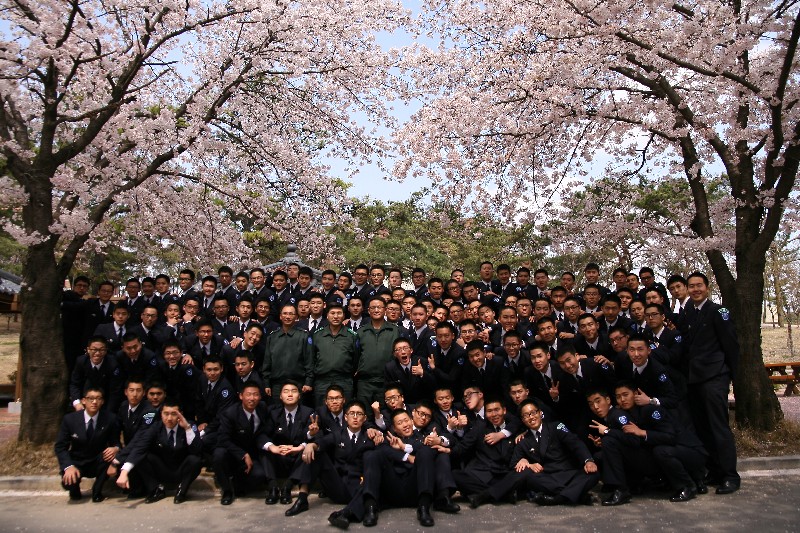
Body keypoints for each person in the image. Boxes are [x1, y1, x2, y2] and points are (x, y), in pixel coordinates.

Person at [469, 398, 599, 507]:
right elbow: (513, 464)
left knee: (593, 473)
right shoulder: (523, 440)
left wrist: (588, 460)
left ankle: (559, 498)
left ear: (540, 413)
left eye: (533, 413)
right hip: (547, 478)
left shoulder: (556, 427)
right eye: (526, 415)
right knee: (527, 476)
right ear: (522, 420)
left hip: (568, 473)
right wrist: (527, 463)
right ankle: (576, 496)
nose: (531, 417)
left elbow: (575, 443)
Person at [680, 272, 740, 494]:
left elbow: (731, 346)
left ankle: (730, 475)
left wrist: (731, 376)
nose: (695, 290)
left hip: (714, 377)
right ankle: (714, 470)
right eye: (692, 286)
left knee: (718, 427)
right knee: (703, 428)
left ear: (707, 287)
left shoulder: (718, 311)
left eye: (699, 285)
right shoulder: (688, 312)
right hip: (694, 378)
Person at [111, 398, 203, 504]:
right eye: (166, 414)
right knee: (144, 457)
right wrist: (124, 472)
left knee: (195, 460)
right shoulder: (155, 427)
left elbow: (197, 450)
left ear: (180, 414)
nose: (169, 418)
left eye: (174, 414)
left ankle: (182, 491)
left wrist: (187, 428)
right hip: (162, 469)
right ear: (161, 414)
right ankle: (156, 490)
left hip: (181, 468)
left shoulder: (190, 425)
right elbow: (140, 448)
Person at [304, 400, 378, 526]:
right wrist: (311, 445)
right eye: (352, 413)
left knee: (373, 477)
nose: (355, 417)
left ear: (365, 418)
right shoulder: (338, 434)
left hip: (358, 487)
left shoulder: (370, 437)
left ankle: (345, 513)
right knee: (317, 453)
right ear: (346, 417)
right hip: (338, 485)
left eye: (359, 414)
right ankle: (302, 497)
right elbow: (324, 442)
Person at [212, 380, 274, 505]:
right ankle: (227, 490)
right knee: (218, 455)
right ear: (241, 396)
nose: (252, 398)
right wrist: (243, 454)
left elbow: (266, 429)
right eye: (248, 394)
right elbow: (223, 439)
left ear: (260, 397)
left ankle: (237, 484)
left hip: (251, 452)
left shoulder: (262, 408)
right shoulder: (230, 413)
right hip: (232, 452)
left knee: (259, 475)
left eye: (255, 395)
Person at [54, 387, 120, 502]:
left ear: (102, 401)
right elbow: (60, 447)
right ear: (84, 401)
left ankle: (97, 491)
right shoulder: (70, 419)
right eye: (91, 398)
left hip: (98, 460)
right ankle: (74, 491)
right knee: (69, 483)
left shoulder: (110, 418)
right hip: (77, 461)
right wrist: (68, 466)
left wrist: (115, 449)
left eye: (98, 398)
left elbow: (116, 443)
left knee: (108, 455)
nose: (94, 402)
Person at [264, 381, 315, 514]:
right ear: (280, 396)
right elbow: (263, 435)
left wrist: (300, 446)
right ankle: (273, 487)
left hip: (297, 457)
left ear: (299, 395)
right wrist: (273, 447)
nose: (290, 394)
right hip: (279, 456)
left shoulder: (308, 412)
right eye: (286, 391)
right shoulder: (273, 413)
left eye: (294, 391)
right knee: (265, 449)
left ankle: (288, 486)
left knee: (308, 450)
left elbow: (310, 436)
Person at [355, 297, 400, 407]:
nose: (376, 310)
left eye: (379, 307)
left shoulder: (394, 331)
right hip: (365, 382)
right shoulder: (361, 331)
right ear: (368, 310)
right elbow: (356, 354)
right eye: (373, 308)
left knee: (385, 413)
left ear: (385, 310)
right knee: (364, 412)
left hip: (387, 380)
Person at [311, 304, 358, 406]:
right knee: (321, 410)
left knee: (345, 409)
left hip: (344, 380)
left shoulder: (352, 336)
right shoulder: (318, 335)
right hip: (322, 380)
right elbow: (312, 358)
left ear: (344, 316)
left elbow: (356, 358)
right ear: (327, 316)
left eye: (339, 313)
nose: (336, 316)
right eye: (332, 313)